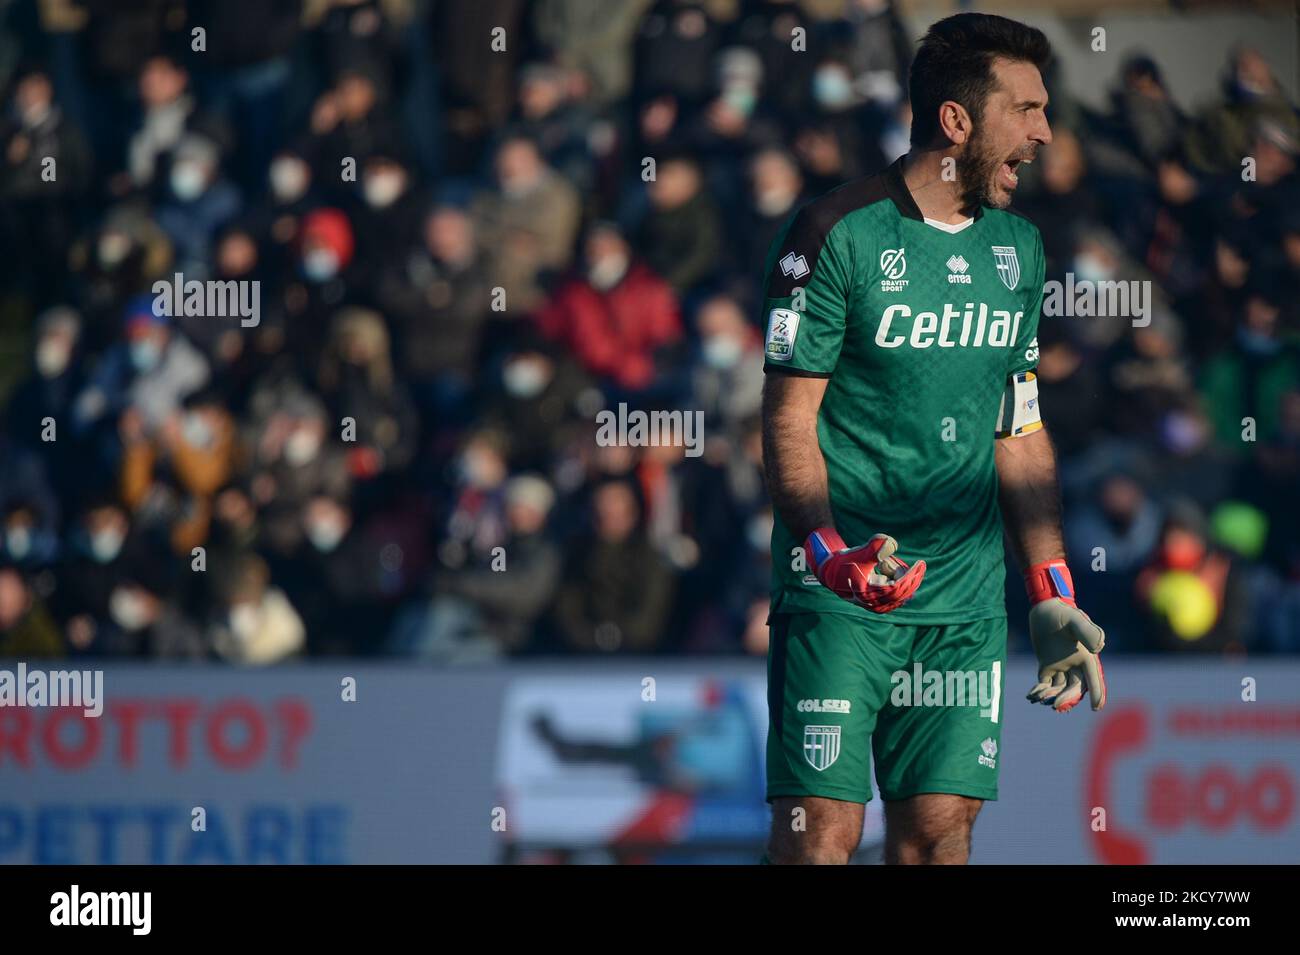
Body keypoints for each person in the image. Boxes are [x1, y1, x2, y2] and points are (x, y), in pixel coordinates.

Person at [759, 13, 1106, 866]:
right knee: (821, 837)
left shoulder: (1022, 250)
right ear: (957, 122)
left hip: (963, 602)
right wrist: (827, 548)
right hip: (842, 589)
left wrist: (1050, 586)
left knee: (939, 833)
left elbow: (1017, 427)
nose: (1043, 133)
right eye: (1025, 109)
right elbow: (787, 418)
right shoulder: (833, 232)